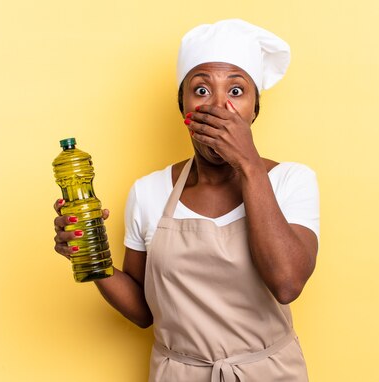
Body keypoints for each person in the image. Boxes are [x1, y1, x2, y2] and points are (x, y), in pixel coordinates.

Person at [53, 19, 319, 382]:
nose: (220, 106)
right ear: (183, 108)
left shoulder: (290, 180)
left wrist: (248, 164)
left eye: (237, 92)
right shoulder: (149, 191)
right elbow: (145, 311)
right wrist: (91, 258)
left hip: (270, 373)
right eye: (201, 90)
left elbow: (287, 283)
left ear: (255, 109)